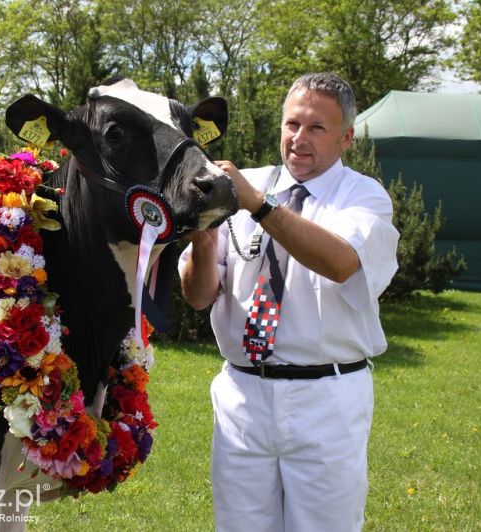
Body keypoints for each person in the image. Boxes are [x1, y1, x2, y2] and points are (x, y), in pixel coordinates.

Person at [178, 72, 400, 531]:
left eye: (317, 128)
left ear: (346, 138)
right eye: (292, 124)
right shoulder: (239, 184)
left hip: (326, 399)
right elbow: (199, 297)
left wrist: (258, 205)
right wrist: (202, 237)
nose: (299, 139)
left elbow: (340, 263)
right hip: (243, 396)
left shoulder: (362, 196)